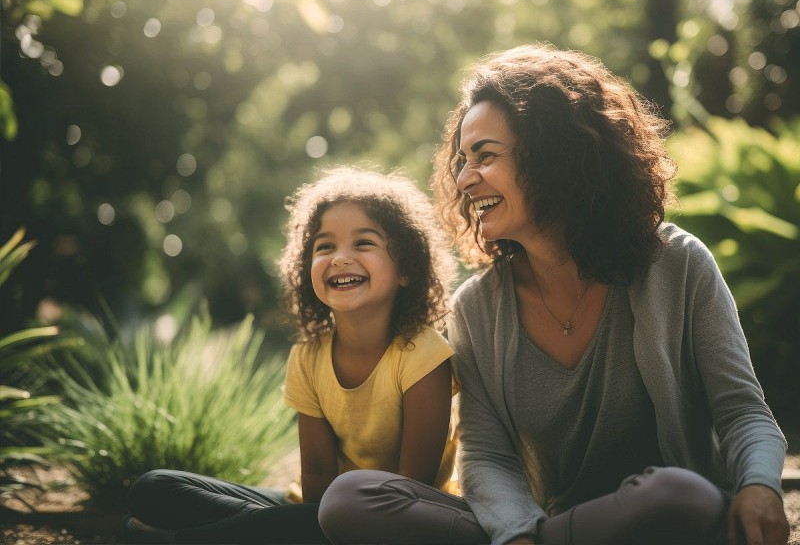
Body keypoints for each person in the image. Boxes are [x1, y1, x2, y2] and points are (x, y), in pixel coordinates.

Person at [317, 44, 790, 544]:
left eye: (485, 156)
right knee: (352, 498)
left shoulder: (677, 263)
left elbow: (741, 410)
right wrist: (518, 533)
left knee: (680, 494)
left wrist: (759, 487)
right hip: (558, 526)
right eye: (462, 160)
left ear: (554, 155)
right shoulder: (476, 309)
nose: (464, 178)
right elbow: (487, 456)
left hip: (662, 513)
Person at [122, 167, 459, 544]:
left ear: (406, 269)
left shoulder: (423, 354)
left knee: (336, 513)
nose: (340, 258)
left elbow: (409, 492)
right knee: (152, 488)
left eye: (363, 243)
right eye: (325, 246)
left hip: (396, 517)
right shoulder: (308, 356)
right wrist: (295, 525)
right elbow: (315, 477)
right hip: (316, 513)